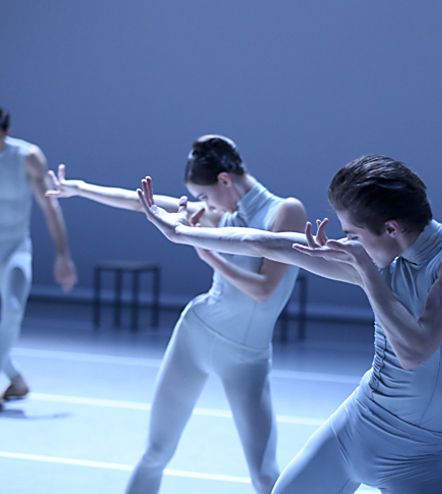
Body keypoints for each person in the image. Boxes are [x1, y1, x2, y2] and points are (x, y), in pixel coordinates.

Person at [136, 154, 442, 493]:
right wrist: (181, 234)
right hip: (355, 427)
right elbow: (268, 243)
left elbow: (415, 351)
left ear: (391, 228)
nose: (347, 242)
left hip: (421, 459)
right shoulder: (381, 258)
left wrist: (367, 272)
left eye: (353, 234)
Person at [46, 135, 306, 493]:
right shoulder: (220, 214)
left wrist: (204, 249)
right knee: (155, 452)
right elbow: (141, 203)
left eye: (202, 195)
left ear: (224, 180)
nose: (202, 204)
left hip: (248, 359)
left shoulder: (286, 212)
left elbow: (264, 290)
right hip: (195, 335)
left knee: (263, 474)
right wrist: (79, 188)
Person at [0, 107, 77, 410]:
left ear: (6, 132)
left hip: (15, 248)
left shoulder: (27, 157)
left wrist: (63, 256)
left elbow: (50, 208)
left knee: (13, 308)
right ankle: (15, 378)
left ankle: (14, 379)